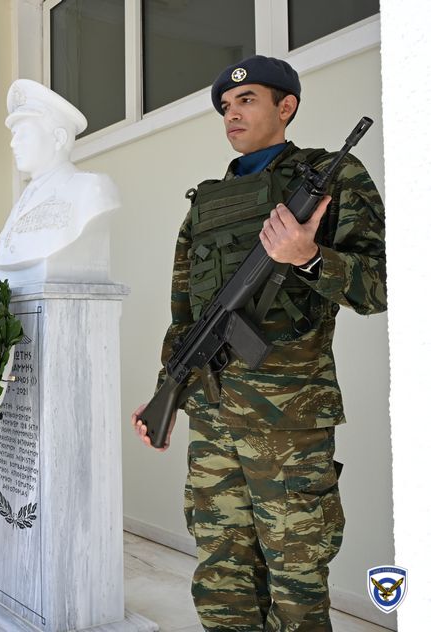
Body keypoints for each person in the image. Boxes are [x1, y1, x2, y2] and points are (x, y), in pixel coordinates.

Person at [131, 55, 386, 630]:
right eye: (226, 106)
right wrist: (163, 397)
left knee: (296, 572)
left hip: (289, 418)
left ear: (286, 106)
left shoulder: (333, 177)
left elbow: (383, 285)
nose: (232, 114)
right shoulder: (205, 203)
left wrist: (311, 257)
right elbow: (185, 316)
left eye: (247, 101)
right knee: (221, 572)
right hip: (211, 413)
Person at [0, 78, 120, 286]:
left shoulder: (91, 189)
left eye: (23, 133)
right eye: (13, 134)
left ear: (59, 138)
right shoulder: (22, 201)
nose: (12, 143)